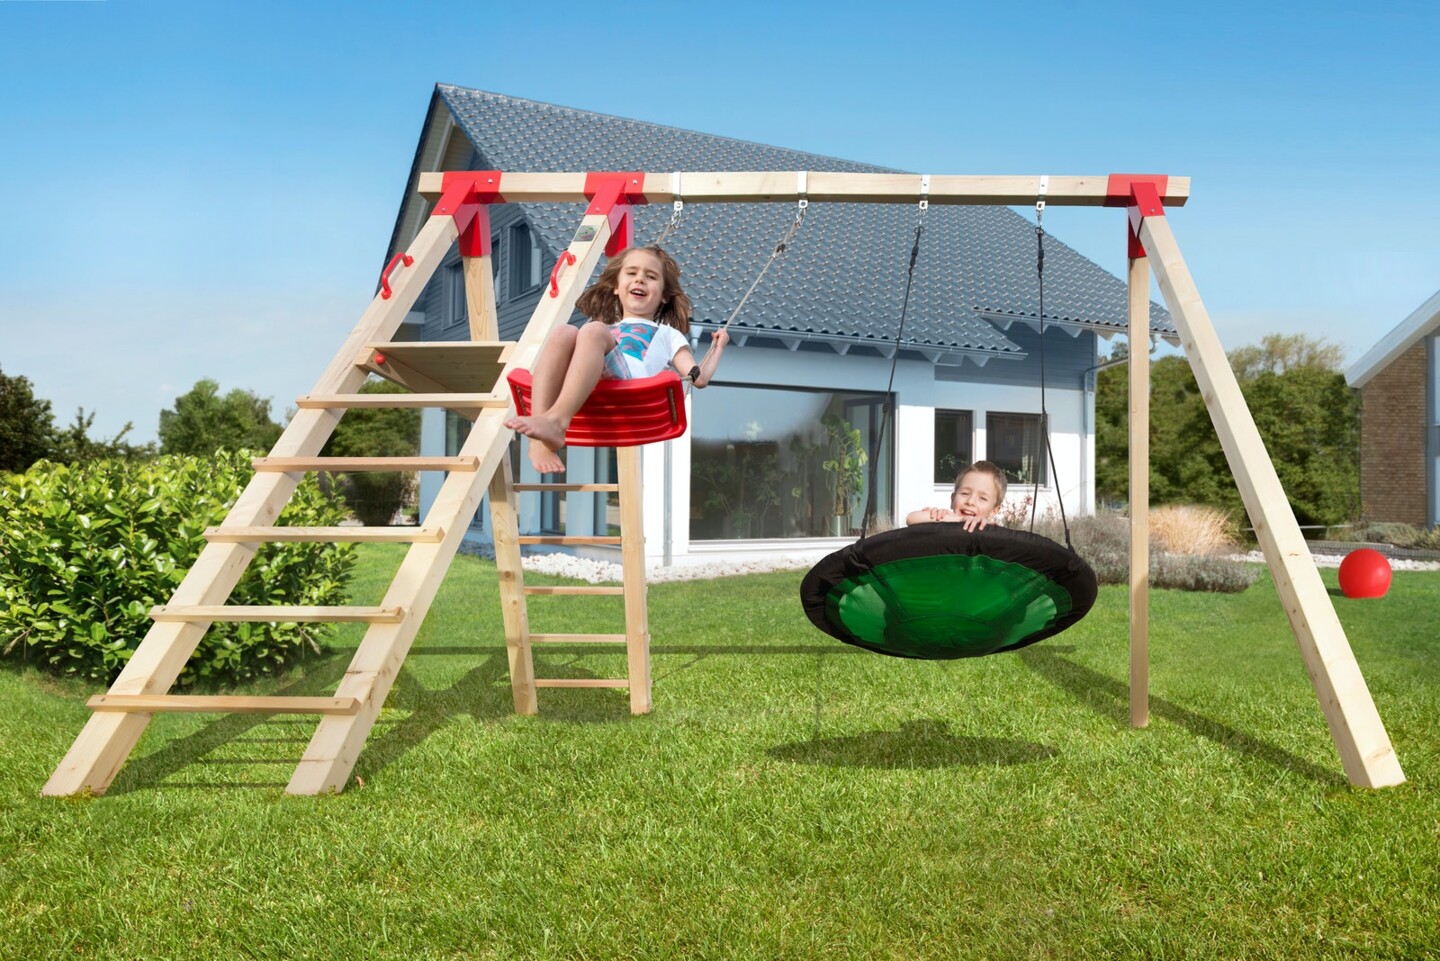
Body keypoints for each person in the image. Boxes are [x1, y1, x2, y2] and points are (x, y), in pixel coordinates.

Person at [505, 245, 728, 473]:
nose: (640, 280)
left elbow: (697, 378)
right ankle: (540, 440)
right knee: (563, 332)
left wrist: (717, 348)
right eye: (632, 273)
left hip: (631, 386)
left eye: (650, 277)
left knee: (592, 330)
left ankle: (557, 421)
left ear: (663, 296)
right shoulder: (607, 329)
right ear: (616, 287)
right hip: (592, 385)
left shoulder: (667, 333)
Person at [905, 460, 1007, 532]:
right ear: (952, 499)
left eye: (982, 498)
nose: (970, 502)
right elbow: (911, 519)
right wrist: (958, 519)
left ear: (994, 510)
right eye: (965, 493)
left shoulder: (992, 531)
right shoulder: (944, 519)